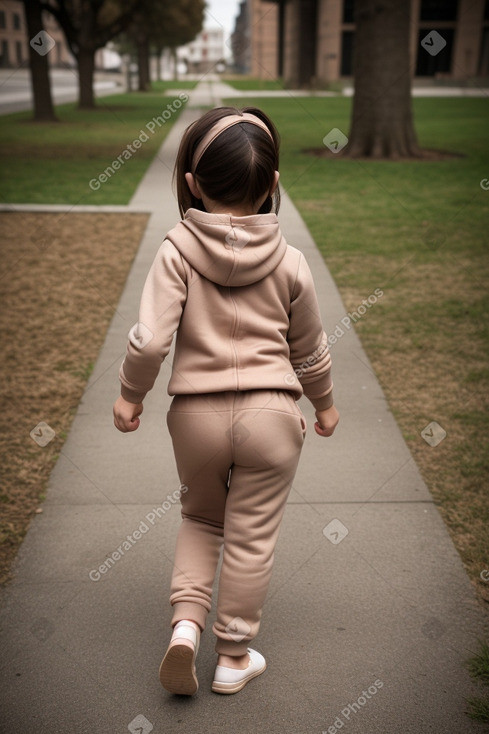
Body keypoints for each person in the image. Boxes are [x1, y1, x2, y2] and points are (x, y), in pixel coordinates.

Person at [113, 106, 339, 696]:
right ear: (272, 185)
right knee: (251, 533)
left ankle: (186, 627)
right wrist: (326, 404)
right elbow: (310, 349)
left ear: (191, 183)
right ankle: (234, 655)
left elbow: (150, 339)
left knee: (200, 517)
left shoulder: (176, 252)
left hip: (196, 417)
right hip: (272, 418)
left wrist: (129, 395)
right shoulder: (291, 263)